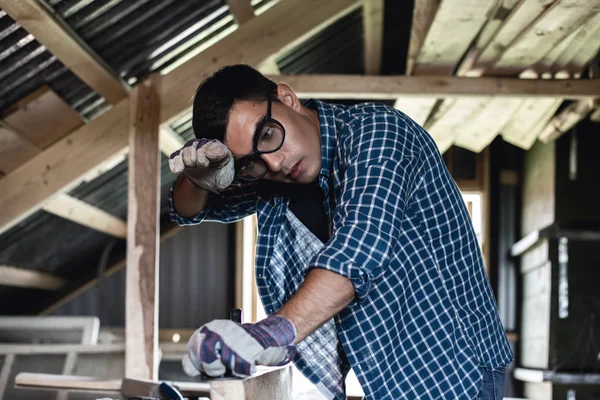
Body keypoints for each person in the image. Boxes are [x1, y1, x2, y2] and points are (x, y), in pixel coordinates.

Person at [168, 64, 513, 400]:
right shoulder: (267, 175)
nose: (274, 163)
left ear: (287, 98)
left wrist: (267, 335)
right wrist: (198, 177)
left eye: (268, 134)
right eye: (249, 162)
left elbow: (356, 254)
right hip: (385, 375)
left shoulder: (378, 133)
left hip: (453, 368)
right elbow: (189, 210)